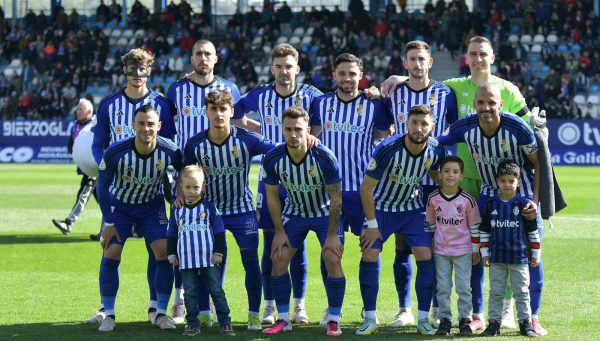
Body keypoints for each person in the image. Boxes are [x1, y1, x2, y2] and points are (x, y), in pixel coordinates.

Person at [381, 36, 541, 333]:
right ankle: (471, 312)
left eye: (483, 54)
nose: (478, 59)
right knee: (470, 248)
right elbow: (422, 76)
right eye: (473, 54)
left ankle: (508, 310)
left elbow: (528, 128)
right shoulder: (454, 86)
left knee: (511, 243)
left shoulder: (508, 89)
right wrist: (398, 76)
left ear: (492, 57)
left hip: (503, 182)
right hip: (464, 178)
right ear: (466, 57)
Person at [437, 84, 545, 335]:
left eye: (491, 103)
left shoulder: (517, 127)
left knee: (531, 257)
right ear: (474, 104)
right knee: (477, 253)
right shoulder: (464, 127)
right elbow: (435, 142)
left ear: (501, 105)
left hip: (522, 198)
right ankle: (477, 315)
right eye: (481, 103)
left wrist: (535, 202)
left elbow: (538, 161)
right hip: (487, 197)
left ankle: (533, 317)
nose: (486, 108)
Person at [233, 43, 322, 325]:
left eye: (289, 66)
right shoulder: (260, 95)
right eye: (279, 66)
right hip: (270, 181)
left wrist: (312, 137)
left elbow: (326, 115)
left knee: (299, 245)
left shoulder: (311, 95)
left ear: (297, 68)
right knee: (271, 243)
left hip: (303, 181)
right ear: (273, 68)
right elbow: (234, 114)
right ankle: (270, 306)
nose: (284, 71)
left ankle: (299, 306)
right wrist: (261, 130)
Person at [87, 48, 177, 326]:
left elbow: (170, 148)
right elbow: (96, 142)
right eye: (131, 70)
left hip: (151, 192)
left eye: (142, 70)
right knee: (110, 248)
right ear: (124, 71)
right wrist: (110, 168)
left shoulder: (162, 104)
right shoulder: (110, 104)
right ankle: (106, 309)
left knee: (160, 249)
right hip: (117, 194)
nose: (137, 75)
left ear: (149, 71)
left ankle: (156, 308)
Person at [183, 90, 276, 331]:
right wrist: (176, 196)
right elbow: (183, 176)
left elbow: (278, 149)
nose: (218, 114)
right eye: (213, 109)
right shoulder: (195, 145)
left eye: (223, 109)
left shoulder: (246, 139)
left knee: (251, 262)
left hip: (242, 211)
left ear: (232, 112)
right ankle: (204, 313)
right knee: (203, 264)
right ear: (206, 112)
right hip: (209, 214)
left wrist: (308, 140)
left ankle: (254, 314)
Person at [310, 52, 392, 324]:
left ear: (361, 76)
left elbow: (383, 140)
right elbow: (313, 138)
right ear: (334, 75)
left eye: (352, 74)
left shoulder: (375, 105)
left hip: (364, 192)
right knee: (330, 252)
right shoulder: (320, 104)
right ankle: (333, 309)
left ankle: (369, 312)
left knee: (370, 250)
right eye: (342, 73)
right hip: (330, 193)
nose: (347, 78)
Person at [382, 40, 458, 328]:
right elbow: (384, 128)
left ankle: (437, 306)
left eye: (421, 59)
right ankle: (404, 309)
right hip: (401, 182)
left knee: (435, 247)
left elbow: (454, 130)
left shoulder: (446, 94)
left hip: (434, 180)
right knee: (402, 245)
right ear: (404, 63)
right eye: (411, 59)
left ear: (430, 62)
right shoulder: (393, 92)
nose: (416, 64)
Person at [167, 39, 240, 324]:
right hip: (189, 178)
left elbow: (239, 123)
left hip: (221, 176)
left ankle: (210, 298)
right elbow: (171, 132)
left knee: (212, 239)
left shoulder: (229, 88)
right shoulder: (177, 89)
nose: (203, 58)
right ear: (192, 57)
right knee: (183, 238)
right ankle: (179, 299)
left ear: (216, 58)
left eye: (208, 53)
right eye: (198, 53)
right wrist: (176, 185)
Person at [358, 104, 446, 336]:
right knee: (369, 253)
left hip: (411, 209)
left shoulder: (436, 150)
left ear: (432, 127)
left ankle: (424, 319)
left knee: (425, 255)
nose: (418, 128)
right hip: (381, 209)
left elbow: (435, 172)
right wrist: (372, 225)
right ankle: (369, 317)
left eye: (424, 124)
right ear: (406, 124)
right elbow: (366, 188)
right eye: (414, 123)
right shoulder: (388, 148)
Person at [95, 105, 182, 332]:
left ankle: (160, 312)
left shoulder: (170, 150)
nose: (146, 128)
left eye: (151, 124)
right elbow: (102, 188)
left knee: (163, 252)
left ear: (159, 126)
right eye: (141, 123)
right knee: (111, 251)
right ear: (133, 125)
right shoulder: (116, 151)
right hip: (120, 208)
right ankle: (109, 313)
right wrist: (109, 221)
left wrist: (178, 198)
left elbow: (184, 173)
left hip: (152, 208)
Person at [261, 107, 346, 336]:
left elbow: (336, 197)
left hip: (324, 214)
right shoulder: (273, 158)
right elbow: (271, 196)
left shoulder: (324, 156)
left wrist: (331, 235)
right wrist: (279, 231)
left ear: (307, 130)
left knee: (332, 257)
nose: (293, 134)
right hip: (295, 213)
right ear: (282, 130)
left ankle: (334, 319)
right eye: (288, 129)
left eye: (298, 129)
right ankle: (283, 319)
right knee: (278, 257)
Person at [166, 165, 235, 336]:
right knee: (189, 293)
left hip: (208, 258)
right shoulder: (177, 209)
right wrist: (172, 253)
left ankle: (225, 322)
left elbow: (219, 232)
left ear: (203, 187)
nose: (192, 191)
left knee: (216, 290)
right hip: (186, 259)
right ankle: (192, 324)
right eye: (188, 187)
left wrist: (219, 253)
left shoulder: (209, 208)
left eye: (196, 187)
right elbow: (171, 233)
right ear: (181, 187)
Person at [479, 160, 541, 337]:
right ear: (498, 181)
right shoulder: (491, 204)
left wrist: (536, 253)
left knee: (522, 292)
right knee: (496, 292)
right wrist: (484, 253)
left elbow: (532, 231)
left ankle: (525, 323)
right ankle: (493, 324)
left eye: (511, 181)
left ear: (518, 182)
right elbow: (485, 231)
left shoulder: (524, 205)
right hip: (497, 258)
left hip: (519, 258)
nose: (507, 184)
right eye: (503, 180)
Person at [425, 156, 481, 336]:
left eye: (455, 172)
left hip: (463, 251)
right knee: (442, 287)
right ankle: (445, 320)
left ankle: (465, 320)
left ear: (462, 176)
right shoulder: (433, 198)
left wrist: (475, 250)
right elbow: (431, 225)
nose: (451, 175)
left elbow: (474, 227)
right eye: (446, 171)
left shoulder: (467, 200)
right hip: (441, 251)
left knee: (464, 287)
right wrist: (433, 245)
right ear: (439, 174)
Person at [52, 98, 97, 235]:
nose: (77, 111)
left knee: (83, 194)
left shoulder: (96, 125)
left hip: (94, 166)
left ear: (89, 111)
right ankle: (128, 225)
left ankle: (69, 222)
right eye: (77, 109)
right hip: (85, 166)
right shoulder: (75, 126)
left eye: (80, 109)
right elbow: (70, 145)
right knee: (103, 199)